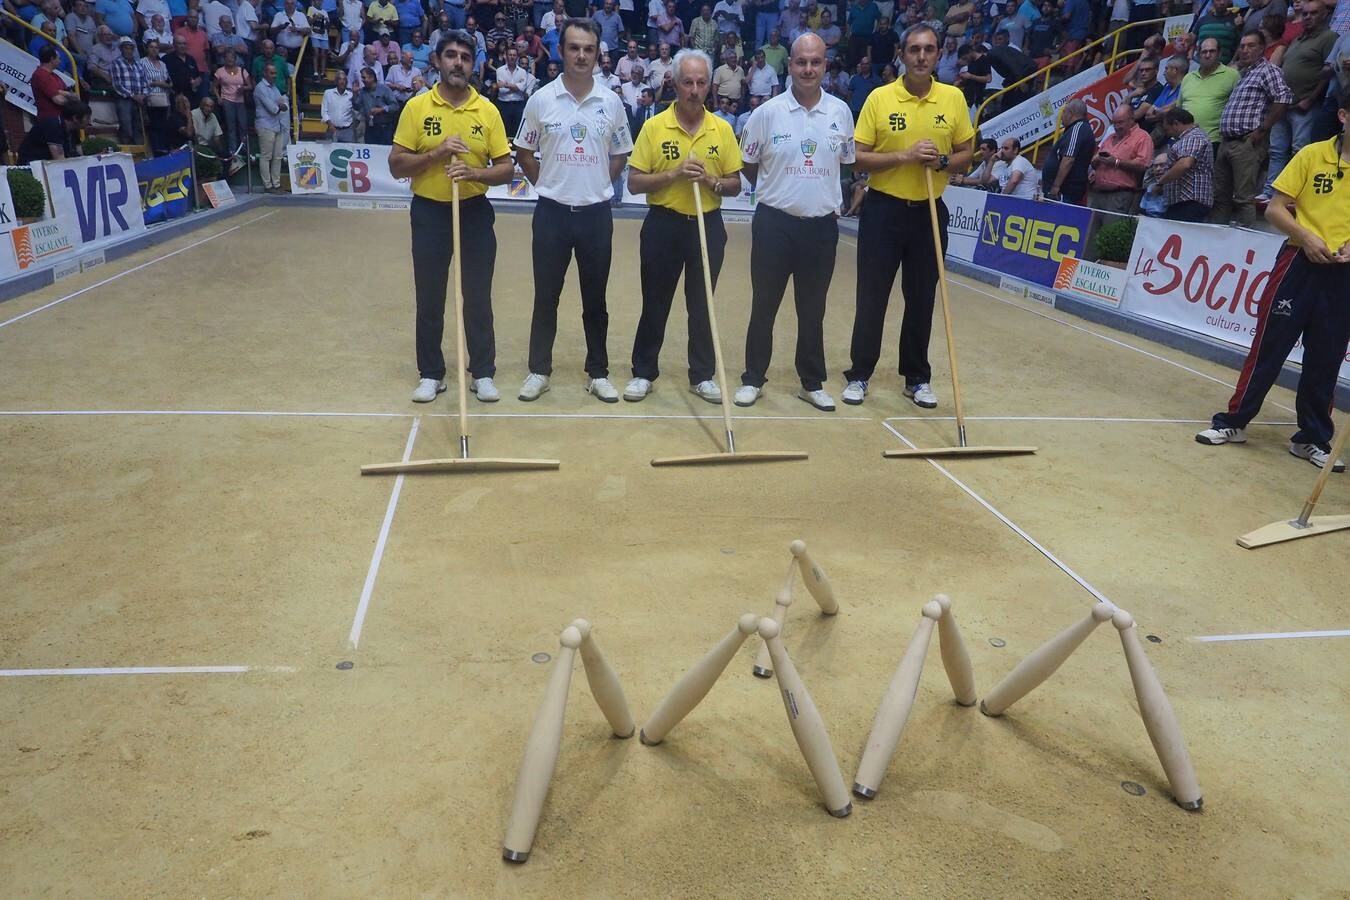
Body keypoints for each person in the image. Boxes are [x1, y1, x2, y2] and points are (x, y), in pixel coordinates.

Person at [1196, 92, 1350, 471]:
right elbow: (1276, 207)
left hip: (1343, 275)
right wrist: (1307, 236)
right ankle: (1233, 422)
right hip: (1298, 262)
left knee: (1326, 359)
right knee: (1269, 347)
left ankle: (1312, 438)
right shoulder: (1313, 155)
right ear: (1344, 115)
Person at [843, 23, 974, 408]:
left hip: (930, 211)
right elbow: (857, 155)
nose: (921, 56)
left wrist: (944, 161)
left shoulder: (953, 99)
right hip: (884, 209)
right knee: (872, 297)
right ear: (901, 54)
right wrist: (904, 156)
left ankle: (916, 378)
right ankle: (860, 374)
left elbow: (967, 151)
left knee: (921, 299)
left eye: (929, 49)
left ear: (937, 54)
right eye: (914, 49)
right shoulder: (880, 98)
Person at [387, 31, 514, 404]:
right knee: (429, 297)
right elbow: (396, 165)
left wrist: (475, 173)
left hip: (474, 212)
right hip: (429, 212)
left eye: (465, 57)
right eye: (451, 56)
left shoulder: (487, 110)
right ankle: (431, 373)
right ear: (438, 61)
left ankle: (483, 373)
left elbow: (506, 170)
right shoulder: (417, 107)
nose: (458, 63)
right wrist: (437, 154)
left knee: (477, 296)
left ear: (473, 65)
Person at [513, 18, 633, 403]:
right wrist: (548, 181)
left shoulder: (611, 102)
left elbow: (620, 155)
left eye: (589, 49)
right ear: (561, 51)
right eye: (574, 48)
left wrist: (596, 182)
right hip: (551, 214)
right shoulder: (541, 99)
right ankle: (538, 370)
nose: (582, 55)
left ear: (598, 54)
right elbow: (525, 152)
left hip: (596, 215)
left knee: (595, 300)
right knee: (546, 296)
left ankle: (598, 372)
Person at [733, 34, 853, 412]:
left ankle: (812, 382)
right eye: (801, 61)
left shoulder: (840, 112)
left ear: (825, 65)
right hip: (774, 225)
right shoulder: (767, 113)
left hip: (821, 228)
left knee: (813, 308)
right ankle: (753, 379)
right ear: (790, 65)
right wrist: (779, 189)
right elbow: (748, 165)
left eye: (816, 62)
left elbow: (846, 164)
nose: (808, 69)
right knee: (764, 305)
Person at [621, 48, 742, 404]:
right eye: (687, 82)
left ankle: (702, 375)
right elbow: (634, 183)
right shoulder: (654, 126)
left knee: (702, 303)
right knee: (655, 302)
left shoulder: (722, 128)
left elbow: (735, 183)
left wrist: (712, 181)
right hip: (664, 224)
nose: (694, 89)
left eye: (701, 83)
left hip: (708, 223)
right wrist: (674, 174)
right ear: (674, 82)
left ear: (709, 87)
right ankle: (643, 372)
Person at [1213, 29, 1291, 225]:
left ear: (1262, 48)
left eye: (1251, 45)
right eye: (1242, 46)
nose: (1245, 50)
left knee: (1243, 198)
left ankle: (1243, 245)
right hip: (1227, 141)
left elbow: (1283, 98)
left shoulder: (1268, 70)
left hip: (1246, 141)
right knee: (1220, 198)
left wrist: (1262, 129)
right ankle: (1215, 243)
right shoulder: (1245, 73)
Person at [1262, 0, 1336, 198]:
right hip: (1284, 105)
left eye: (1313, 13)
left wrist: (1311, 99)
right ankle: (1270, 191)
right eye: (1305, 14)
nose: (1308, 17)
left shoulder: (1329, 37)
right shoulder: (1297, 40)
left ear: (1325, 15)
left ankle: (1295, 195)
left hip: (1306, 105)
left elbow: (1328, 72)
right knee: (1276, 151)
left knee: (1300, 151)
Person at [1088, 102, 1153, 213]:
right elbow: (1097, 158)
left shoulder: (1142, 137)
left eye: (1120, 122)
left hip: (1119, 196)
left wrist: (1116, 162)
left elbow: (1143, 165)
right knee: (1090, 229)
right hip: (1098, 194)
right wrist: (1095, 162)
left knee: (1111, 229)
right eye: (1114, 123)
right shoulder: (1110, 137)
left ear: (1132, 120)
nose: (1117, 127)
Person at [1151, 107, 1214, 221]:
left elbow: (1184, 164)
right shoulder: (1187, 139)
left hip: (1189, 202)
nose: (1168, 134)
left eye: (1167, 129)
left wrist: (1160, 183)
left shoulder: (1193, 137)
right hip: (1182, 202)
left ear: (1176, 124)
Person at [1180, 37, 1238, 145]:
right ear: (1198, 55)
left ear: (1219, 53)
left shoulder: (1232, 75)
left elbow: (1238, 108)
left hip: (1214, 141)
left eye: (1212, 51)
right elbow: (1179, 108)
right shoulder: (1188, 78)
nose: (1207, 55)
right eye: (1204, 52)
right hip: (1186, 140)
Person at [1042, 98, 1095, 203]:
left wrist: (1056, 187)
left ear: (1071, 113)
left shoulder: (1077, 129)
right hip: (1064, 190)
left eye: (1064, 112)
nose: (1061, 116)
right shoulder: (1075, 129)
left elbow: (1068, 159)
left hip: (1064, 191)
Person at [254, 61, 290, 190]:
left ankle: (276, 184)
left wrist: (280, 106)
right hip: (265, 126)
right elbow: (273, 109)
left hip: (276, 125)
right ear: (265, 73)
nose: (274, 75)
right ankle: (267, 185)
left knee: (277, 156)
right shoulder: (260, 88)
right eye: (272, 73)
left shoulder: (275, 88)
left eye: (275, 73)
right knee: (266, 156)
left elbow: (283, 105)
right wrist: (279, 106)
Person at [18, 101, 90, 163]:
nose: (89, 121)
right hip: (32, 164)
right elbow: (59, 159)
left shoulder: (73, 129)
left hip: (47, 163)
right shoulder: (54, 126)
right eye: (87, 118)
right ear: (76, 118)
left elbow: (80, 156)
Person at [213, 47, 251, 156]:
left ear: (235, 59)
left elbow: (250, 85)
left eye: (232, 59)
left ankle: (244, 148)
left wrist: (243, 88)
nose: (230, 61)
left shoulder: (242, 71)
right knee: (231, 126)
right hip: (227, 100)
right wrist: (218, 97)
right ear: (224, 59)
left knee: (243, 125)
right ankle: (232, 150)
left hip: (240, 100)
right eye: (228, 59)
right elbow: (214, 86)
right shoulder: (220, 71)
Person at [110, 37, 148, 144]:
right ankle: (128, 152)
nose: (129, 50)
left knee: (140, 127)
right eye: (126, 48)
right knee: (126, 126)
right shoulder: (116, 63)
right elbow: (117, 85)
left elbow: (145, 83)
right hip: (124, 99)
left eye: (131, 48)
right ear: (121, 49)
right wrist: (133, 95)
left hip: (140, 99)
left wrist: (143, 95)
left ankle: (140, 152)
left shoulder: (139, 65)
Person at [354, 64, 398, 142]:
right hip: (370, 128)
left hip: (384, 127)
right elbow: (357, 107)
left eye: (364, 77)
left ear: (372, 78)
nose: (362, 80)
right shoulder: (362, 91)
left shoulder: (384, 89)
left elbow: (395, 106)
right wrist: (354, 94)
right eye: (362, 78)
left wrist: (381, 109)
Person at [322, 69, 357, 138]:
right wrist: (331, 126)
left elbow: (357, 109)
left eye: (344, 80)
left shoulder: (351, 95)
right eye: (340, 79)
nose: (342, 82)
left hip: (347, 131)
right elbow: (324, 112)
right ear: (336, 81)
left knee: (347, 149)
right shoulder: (328, 93)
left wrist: (355, 94)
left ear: (346, 82)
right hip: (331, 129)